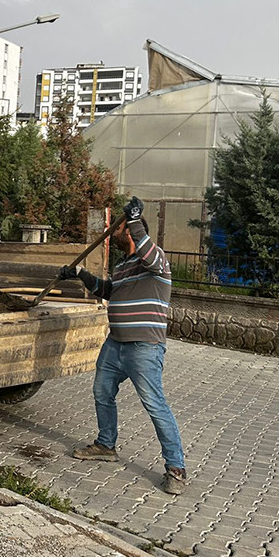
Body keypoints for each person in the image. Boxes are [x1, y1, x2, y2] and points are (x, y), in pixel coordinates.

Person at [57, 196, 188, 495]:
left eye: (119, 230)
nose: (115, 234)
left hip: (144, 347)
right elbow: (108, 291)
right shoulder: (123, 265)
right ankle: (106, 445)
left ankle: (176, 468)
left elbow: (148, 252)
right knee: (102, 392)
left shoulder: (156, 262)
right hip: (115, 343)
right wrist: (79, 275)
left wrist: (134, 218)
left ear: (129, 231)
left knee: (155, 404)